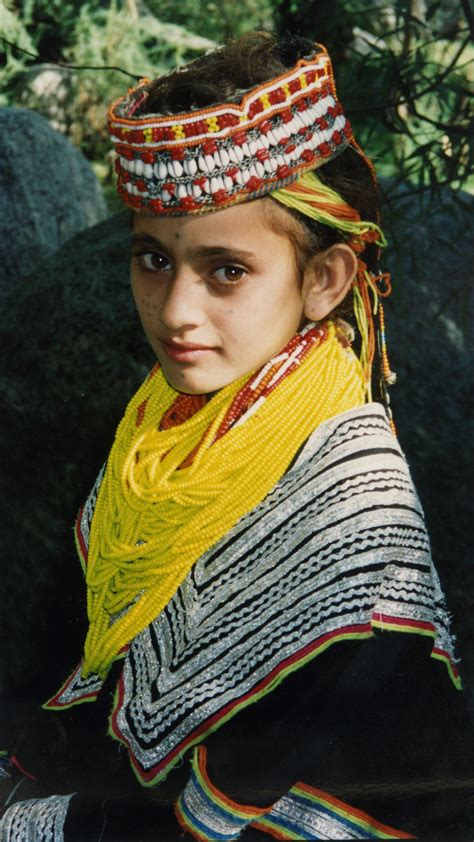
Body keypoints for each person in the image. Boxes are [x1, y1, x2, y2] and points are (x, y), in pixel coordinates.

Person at [1, 31, 471, 842]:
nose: (177, 310)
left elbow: (259, 785)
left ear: (323, 280)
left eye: (226, 270)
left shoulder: (356, 508)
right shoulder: (163, 422)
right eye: (153, 258)